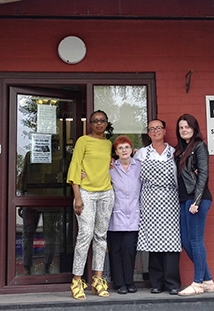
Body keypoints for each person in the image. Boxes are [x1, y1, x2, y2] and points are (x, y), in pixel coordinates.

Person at [66, 110, 115, 300]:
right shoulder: (83, 141)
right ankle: (77, 281)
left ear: (106, 123)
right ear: (90, 124)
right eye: (95, 121)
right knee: (84, 235)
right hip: (86, 193)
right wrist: (77, 196)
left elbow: (105, 164)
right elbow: (75, 166)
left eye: (102, 121)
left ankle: (97, 280)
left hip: (106, 193)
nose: (99, 124)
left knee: (101, 237)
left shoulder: (108, 144)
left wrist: (112, 161)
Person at [134, 119, 182, 295]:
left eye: (158, 128)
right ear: (148, 133)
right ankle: (156, 282)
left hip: (170, 200)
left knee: (171, 242)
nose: (155, 131)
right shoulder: (141, 154)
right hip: (149, 200)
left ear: (164, 130)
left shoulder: (174, 153)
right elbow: (133, 176)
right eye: (151, 129)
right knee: (153, 242)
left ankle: (172, 283)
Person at [174, 113, 214, 296]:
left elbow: (204, 175)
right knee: (185, 240)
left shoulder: (199, 146)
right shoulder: (180, 149)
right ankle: (208, 280)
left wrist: (197, 201)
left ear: (194, 128)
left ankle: (198, 283)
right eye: (181, 127)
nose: (184, 130)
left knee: (196, 240)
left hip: (196, 199)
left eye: (187, 127)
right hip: (184, 199)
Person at [107, 136, 142, 294]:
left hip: (134, 215)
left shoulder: (139, 166)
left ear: (131, 149)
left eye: (126, 147)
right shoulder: (110, 168)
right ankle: (119, 283)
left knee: (129, 250)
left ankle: (129, 281)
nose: (124, 150)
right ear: (116, 152)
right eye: (120, 148)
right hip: (115, 215)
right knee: (115, 251)